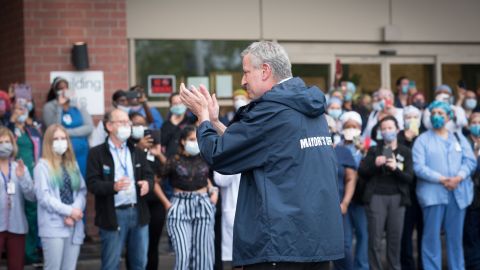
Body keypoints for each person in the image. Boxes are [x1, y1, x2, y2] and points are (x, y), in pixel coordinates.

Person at [180, 41, 343, 269]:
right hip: (315, 244)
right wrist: (216, 122)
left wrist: (203, 118)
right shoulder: (308, 107)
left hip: (279, 246)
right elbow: (255, 146)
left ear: (265, 71)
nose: (243, 81)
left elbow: (219, 156)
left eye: (246, 72)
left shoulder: (271, 111)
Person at [86, 109, 153, 270]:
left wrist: (147, 184)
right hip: (113, 215)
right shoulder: (97, 153)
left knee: (139, 263)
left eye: (128, 122)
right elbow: (92, 184)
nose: (127, 126)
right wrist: (113, 186)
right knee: (111, 264)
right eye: (122, 122)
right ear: (109, 126)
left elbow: (150, 175)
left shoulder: (136, 151)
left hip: (138, 212)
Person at [413, 101, 476, 270]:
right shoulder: (422, 140)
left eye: (441, 113)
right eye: (434, 113)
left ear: (448, 117)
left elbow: (470, 161)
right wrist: (441, 179)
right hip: (433, 195)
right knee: (431, 238)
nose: (437, 116)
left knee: (455, 238)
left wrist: (459, 177)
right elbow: (419, 167)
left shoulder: (458, 137)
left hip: (457, 193)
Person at [154, 125, 218, 270]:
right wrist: (166, 204)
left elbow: (204, 177)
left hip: (203, 204)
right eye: (191, 139)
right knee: (183, 254)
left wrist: (214, 191)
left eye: (197, 139)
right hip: (180, 206)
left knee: (204, 254)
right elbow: (155, 182)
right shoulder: (174, 160)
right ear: (183, 141)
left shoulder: (204, 157)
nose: (194, 142)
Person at [359, 116, 414, 270]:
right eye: (383, 129)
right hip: (376, 197)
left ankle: (394, 267)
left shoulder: (405, 151)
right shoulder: (374, 150)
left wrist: (396, 168)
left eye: (390, 128)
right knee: (375, 240)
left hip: (398, 198)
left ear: (397, 130)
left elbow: (409, 178)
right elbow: (362, 172)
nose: (387, 131)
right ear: (380, 132)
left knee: (395, 240)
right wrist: (375, 164)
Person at [34, 124, 86, 270]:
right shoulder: (42, 167)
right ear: (48, 143)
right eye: (56, 139)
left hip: (73, 224)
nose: (60, 142)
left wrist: (74, 211)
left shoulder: (72, 164)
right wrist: (69, 211)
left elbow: (82, 191)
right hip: (53, 226)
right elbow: (44, 198)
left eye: (63, 138)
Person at [9, 91, 43, 265]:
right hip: (11, 176)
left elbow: (40, 149)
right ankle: (13, 252)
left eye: (24, 108)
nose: (22, 111)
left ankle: (30, 252)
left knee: (31, 213)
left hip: (31, 176)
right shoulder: (8, 129)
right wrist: (12, 122)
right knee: (12, 212)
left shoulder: (32, 130)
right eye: (18, 108)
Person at [42, 77, 93, 178]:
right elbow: (53, 128)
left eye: (66, 88)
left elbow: (89, 127)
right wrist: (59, 107)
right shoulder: (49, 107)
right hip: (61, 152)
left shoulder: (77, 105)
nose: (64, 90)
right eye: (61, 88)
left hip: (82, 152)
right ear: (55, 91)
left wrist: (67, 132)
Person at [0, 127, 35, 270]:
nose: (4, 145)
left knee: (16, 266)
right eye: (0, 142)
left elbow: (31, 197)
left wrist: (22, 178)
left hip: (17, 226)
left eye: (7, 141)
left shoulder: (20, 168)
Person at [338, 111, 370, 270]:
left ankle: (362, 266)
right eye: (347, 126)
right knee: (346, 238)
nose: (351, 129)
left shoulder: (369, 144)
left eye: (354, 126)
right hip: (343, 197)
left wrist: (364, 151)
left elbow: (377, 166)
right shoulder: (337, 146)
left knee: (363, 235)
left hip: (361, 198)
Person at [326, 116, 357, 270]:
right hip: (314, 209)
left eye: (328, 127)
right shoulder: (306, 150)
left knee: (344, 248)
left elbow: (351, 178)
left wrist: (345, 203)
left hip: (339, 208)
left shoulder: (343, 152)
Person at [396, 106, 424, 270]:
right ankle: (407, 266)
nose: (412, 120)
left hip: (423, 192)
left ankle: (423, 264)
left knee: (424, 232)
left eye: (415, 116)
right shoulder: (398, 137)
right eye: (409, 117)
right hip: (405, 193)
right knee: (405, 234)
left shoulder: (425, 137)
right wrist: (406, 140)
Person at [463, 112, 480, 270]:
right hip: (470, 197)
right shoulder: (464, 143)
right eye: (474, 122)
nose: (477, 125)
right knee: (471, 235)